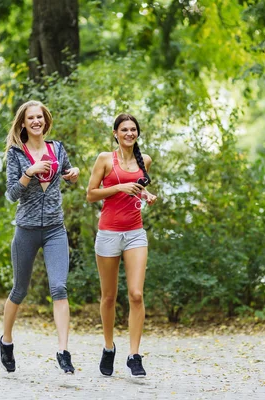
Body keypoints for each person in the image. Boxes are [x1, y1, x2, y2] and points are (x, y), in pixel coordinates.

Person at [0, 100, 80, 374]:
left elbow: (69, 174)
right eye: (30, 118)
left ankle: (63, 351)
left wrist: (73, 175)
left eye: (40, 117)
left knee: (59, 287)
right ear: (23, 123)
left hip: (55, 229)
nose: (36, 121)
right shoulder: (16, 154)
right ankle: (6, 341)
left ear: (46, 121)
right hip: (27, 230)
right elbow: (11, 194)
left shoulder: (56, 148)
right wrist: (28, 174)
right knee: (19, 290)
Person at [86, 113, 158, 378]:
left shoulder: (145, 160)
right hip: (108, 234)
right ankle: (108, 348)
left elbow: (138, 188)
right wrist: (119, 188)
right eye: (124, 129)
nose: (129, 133)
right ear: (115, 133)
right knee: (108, 297)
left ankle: (134, 355)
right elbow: (90, 194)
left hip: (135, 233)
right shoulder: (105, 159)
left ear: (137, 133)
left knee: (136, 294)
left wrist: (145, 194)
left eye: (133, 129)